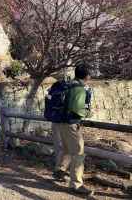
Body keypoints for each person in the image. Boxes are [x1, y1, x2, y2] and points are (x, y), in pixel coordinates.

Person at [49, 64, 94, 196]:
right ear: (87, 76)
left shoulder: (68, 84)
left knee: (67, 149)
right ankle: (76, 184)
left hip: (59, 122)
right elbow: (77, 109)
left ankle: (59, 170)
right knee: (78, 152)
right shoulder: (79, 88)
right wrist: (88, 113)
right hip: (71, 124)